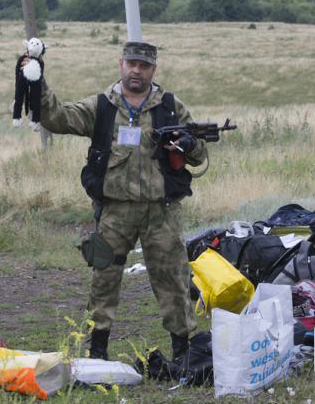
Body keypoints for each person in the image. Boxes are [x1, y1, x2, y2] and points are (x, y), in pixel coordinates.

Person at [36, 41, 208, 362]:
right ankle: (97, 351)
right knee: (104, 278)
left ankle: (183, 352)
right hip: (115, 212)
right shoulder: (102, 106)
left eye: (144, 66)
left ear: (153, 70)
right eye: (131, 64)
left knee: (173, 280)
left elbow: (199, 155)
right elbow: (57, 118)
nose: (136, 71)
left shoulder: (170, 107)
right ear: (121, 64)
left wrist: (188, 144)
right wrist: (37, 84)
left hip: (162, 212)